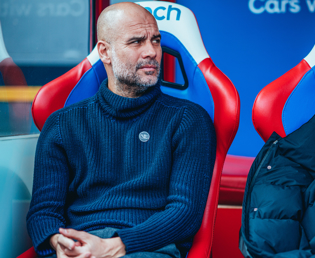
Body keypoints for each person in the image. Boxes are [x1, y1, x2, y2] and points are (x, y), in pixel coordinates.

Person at [26, 2, 216, 258]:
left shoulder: (189, 120)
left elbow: (184, 214)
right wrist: (58, 242)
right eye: (137, 42)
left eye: (156, 40)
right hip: (80, 246)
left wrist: (112, 247)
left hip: (148, 248)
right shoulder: (62, 124)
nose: (152, 51)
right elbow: (43, 213)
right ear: (105, 52)